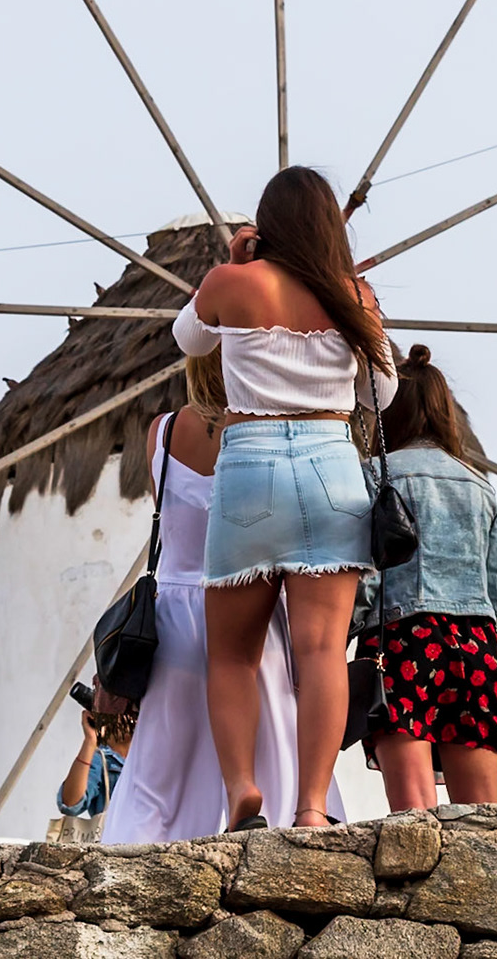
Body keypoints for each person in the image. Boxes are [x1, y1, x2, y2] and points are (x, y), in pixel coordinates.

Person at [172, 166, 396, 830]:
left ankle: (243, 788)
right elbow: (381, 398)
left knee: (234, 654)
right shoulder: (354, 296)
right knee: (323, 653)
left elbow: (187, 339)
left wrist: (235, 261)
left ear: (266, 228)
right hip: (332, 466)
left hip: (251, 466)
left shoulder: (231, 284)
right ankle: (313, 805)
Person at [98, 351, 343, 841]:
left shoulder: (162, 432)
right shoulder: (264, 435)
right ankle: (276, 827)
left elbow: (167, 517)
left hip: (174, 615)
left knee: (162, 764)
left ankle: (140, 852)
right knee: (271, 740)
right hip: (248, 605)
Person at [353, 344, 497, 810]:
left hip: (402, 639)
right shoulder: (478, 484)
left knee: (413, 815)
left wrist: (338, 638)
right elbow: (495, 588)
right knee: (484, 820)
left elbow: (370, 573)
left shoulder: (374, 474)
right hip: (477, 646)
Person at [56, 707, 131, 822]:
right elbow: (71, 804)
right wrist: (90, 741)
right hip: (116, 838)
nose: (130, 718)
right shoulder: (101, 759)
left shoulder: (155, 757)